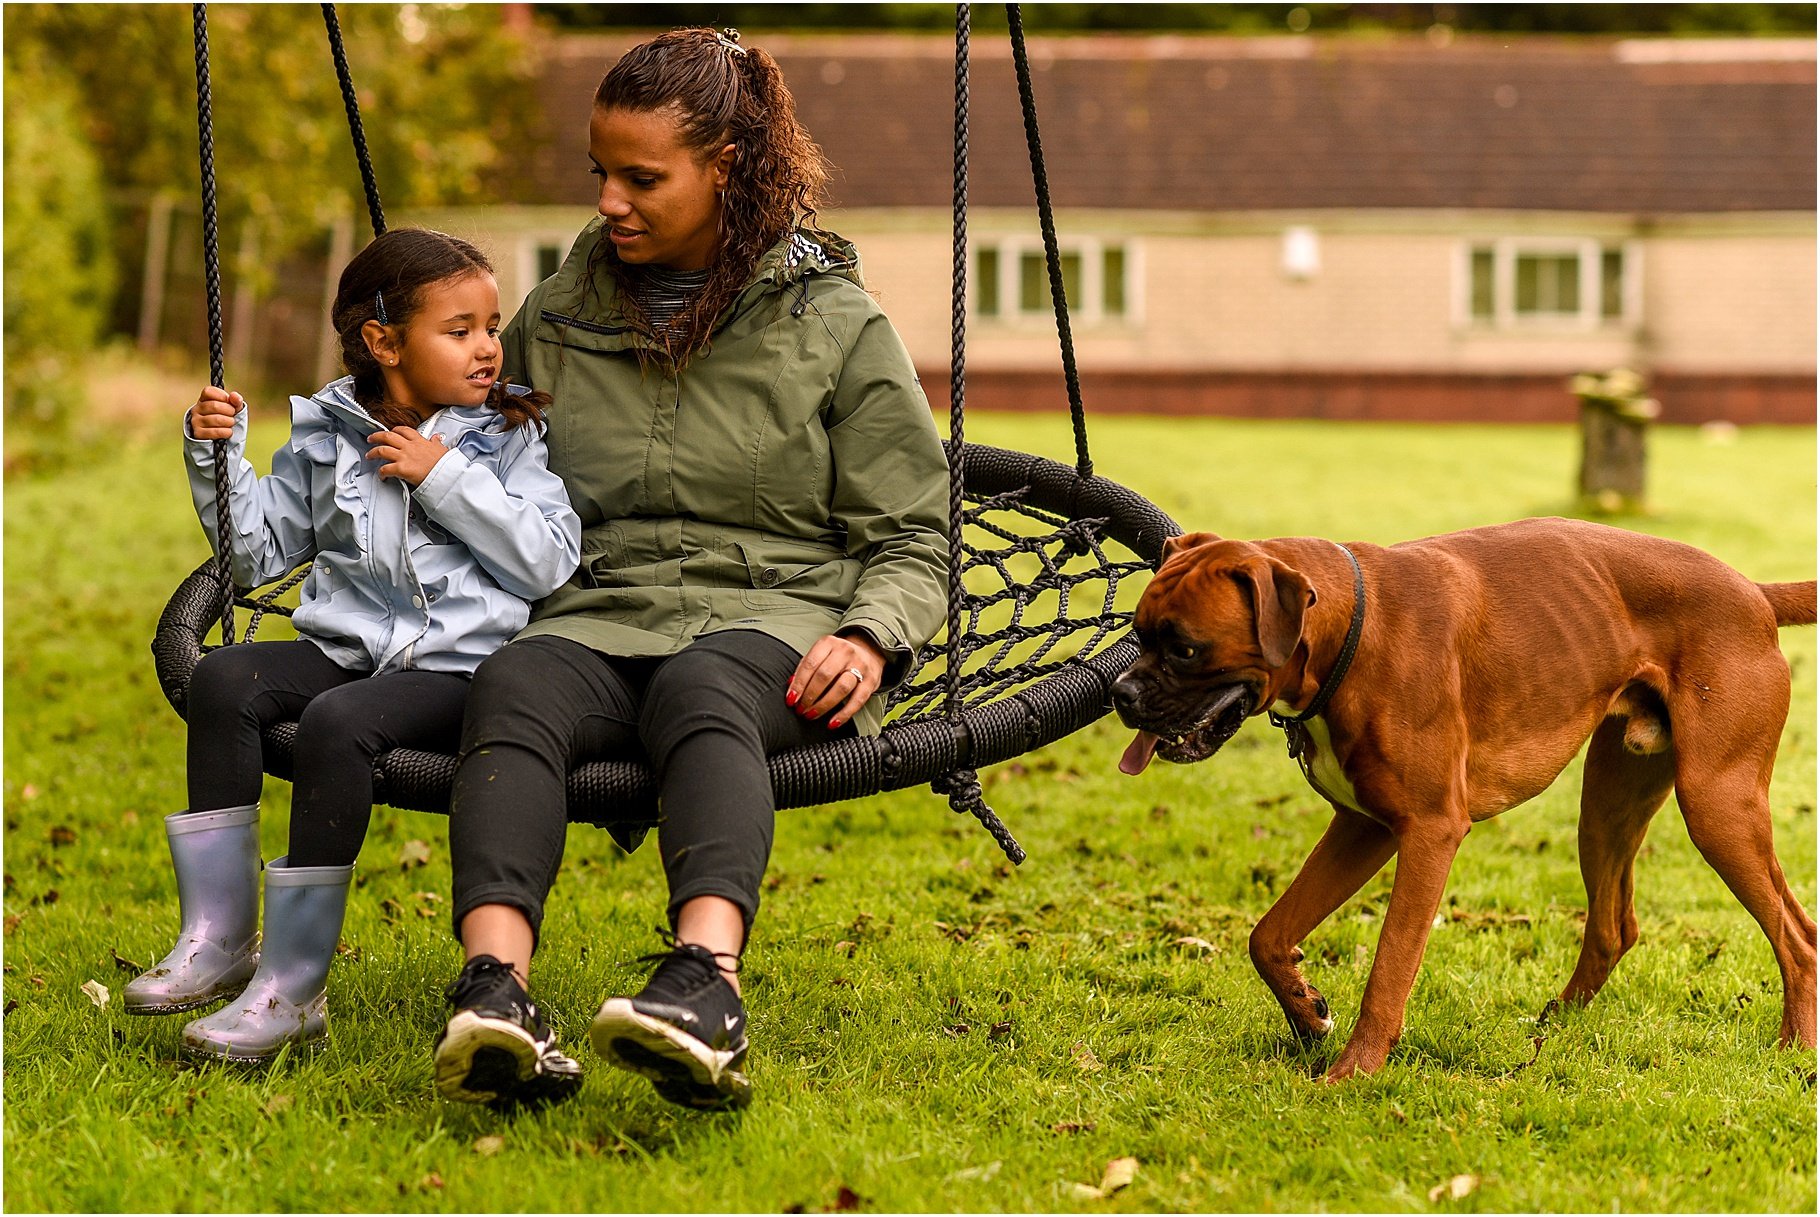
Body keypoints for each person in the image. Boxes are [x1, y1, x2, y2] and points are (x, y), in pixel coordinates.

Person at [430, 27, 950, 1112]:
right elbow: (467, 462)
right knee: (514, 684)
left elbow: (913, 530)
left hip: (777, 609)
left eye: (640, 177)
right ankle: (495, 990)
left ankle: (705, 984)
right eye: (600, 175)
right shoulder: (559, 321)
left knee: (701, 687)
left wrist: (871, 634)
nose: (608, 201)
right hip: (597, 602)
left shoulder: (834, 326)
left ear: (725, 168)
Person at [125, 228, 582, 1070]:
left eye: (491, 325)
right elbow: (260, 555)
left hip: (462, 666)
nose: (488, 347)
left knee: (338, 723)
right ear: (383, 341)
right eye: (460, 329)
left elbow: (548, 558)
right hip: (354, 646)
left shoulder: (504, 436)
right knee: (225, 678)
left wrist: (443, 474)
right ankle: (218, 936)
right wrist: (215, 453)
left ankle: (293, 986)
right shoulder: (329, 430)